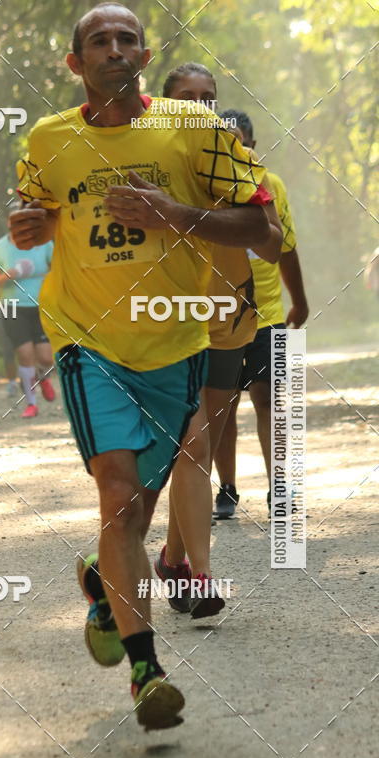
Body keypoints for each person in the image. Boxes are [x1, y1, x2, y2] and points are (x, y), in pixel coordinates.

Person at [9, 4, 272, 731]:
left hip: (176, 343)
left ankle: (103, 581)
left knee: (137, 508)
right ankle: (147, 673)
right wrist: (29, 224)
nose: (115, 48)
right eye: (100, 40)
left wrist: (174, 215)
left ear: (146, 54)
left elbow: (265, 227)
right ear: (76, 64)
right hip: (86, 339)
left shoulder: (197, 130)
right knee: (118, 497)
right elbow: (36, 211)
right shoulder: (47, 139)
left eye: (128, 38)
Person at [154, 64, 283, 609]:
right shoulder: (146, 161)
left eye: (209, 97)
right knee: (193, 443)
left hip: (230, 319)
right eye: (188, 97)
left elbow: (273, 244)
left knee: (199, 448)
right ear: (164, 105)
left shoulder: (240, 163)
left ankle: (171, 559)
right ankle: (200, 576)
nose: (201, 106)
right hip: (165, 318)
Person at [212, 110, 309, 518]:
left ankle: (280, 489)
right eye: (226, 142)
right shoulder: (205, 186)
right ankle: (228, 489)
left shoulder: (271, 185)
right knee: (223, 407)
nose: (235, 148)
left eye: (240, 140)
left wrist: (298, 299)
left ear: (251, 144)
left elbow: (285, 247)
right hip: (218, 316)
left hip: (266, 314)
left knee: (269, 400)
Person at [0, 209, 56, 418]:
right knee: (25, 355)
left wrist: (41, 273)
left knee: (46, 357)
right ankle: (31, 403)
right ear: (9, 224)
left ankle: (41, 375)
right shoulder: (0, 247)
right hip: (12, 307)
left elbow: (58, 270)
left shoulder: (44, 243)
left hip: (40, 305)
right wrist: (10, 274)